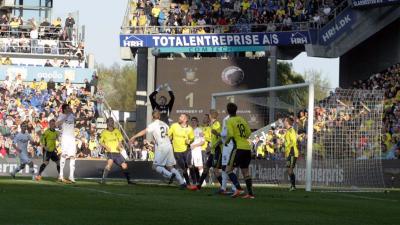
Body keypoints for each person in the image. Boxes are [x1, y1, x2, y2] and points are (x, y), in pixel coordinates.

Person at [129, 111, 186, 188]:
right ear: (159, 117)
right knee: (170, 167)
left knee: (155, 166)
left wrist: (134, 137)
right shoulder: (165, 124)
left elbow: (144, 131)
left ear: (152, 117)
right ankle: (182, 182)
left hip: (162, 146)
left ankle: (170, 175)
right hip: (169, 145)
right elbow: (169, 136)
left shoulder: (153, 124)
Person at [224, 103, 254, 199]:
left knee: (228, 170)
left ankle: (239, 188)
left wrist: (226, 142)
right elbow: (249, 133)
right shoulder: (241, 119)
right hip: (247, 148)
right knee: (245, 172)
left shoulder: (229, 121)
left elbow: (231, 135)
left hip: (238, 148)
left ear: (227, 111)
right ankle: (250, 194)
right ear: (236, 110)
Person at [99, 117, 133, 184]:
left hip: (117, 153)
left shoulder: (117, 131)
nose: (112, 123)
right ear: (107, 123)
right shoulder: (104, 132)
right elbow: (101, 142)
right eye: (110, 121)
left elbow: (120, 139)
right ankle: (103, 180)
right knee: (109, 164)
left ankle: (129, 181)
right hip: (110, 152)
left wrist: (119, 145)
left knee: (124, 165)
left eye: (112, 121)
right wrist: (106, 147)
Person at [196, 110, 223, 190]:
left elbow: (220, 138)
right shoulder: (212, 124)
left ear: (211, 116)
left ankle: (223, 187)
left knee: (215, 170)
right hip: (212, 151)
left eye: (209, 115)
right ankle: (198, 186)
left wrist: (214, 145)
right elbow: (213, 137)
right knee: (206, 168)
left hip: (217, 150)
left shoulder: (217, 124)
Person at [168, 113, 194, 187]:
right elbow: (168, 135)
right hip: (177, 151)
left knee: (190, 165)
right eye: (180, 116)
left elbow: (192, 138)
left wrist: (190, 141)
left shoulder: (190, 128)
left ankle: (195, 183)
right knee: (184, 168)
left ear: (186, 119)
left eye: (181, 117)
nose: (179, 117)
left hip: (187, 149)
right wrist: (169, 139)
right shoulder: (174, 126)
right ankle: (188, 184)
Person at [56, 104, 77, 183]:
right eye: (68, 108)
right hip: (65, 138)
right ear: (64, 109)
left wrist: (86, 118)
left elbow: (77, 119)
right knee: (64, 155)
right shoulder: (61, 116)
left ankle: (71, 176)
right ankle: (61, 175)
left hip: (72, 138)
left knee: (73, 156)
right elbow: (57, 124)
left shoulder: (71, 115)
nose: (69, 108)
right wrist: (66, 116)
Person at [189, 117, 204, 187]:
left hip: (197, 151)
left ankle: (202, 182)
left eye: (195, 121)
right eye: (192, 121)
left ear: (197, 122)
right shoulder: (189, 129)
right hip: (189, 151)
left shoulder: (200, 130)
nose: (193, 122)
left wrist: (195, 145)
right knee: (190, 165)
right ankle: (186, 181)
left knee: (199, 166)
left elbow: (202, 142)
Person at [284, 117, 298, 191]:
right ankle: (293, 186)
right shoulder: (288, 131)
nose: (284, 122)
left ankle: (293, 186)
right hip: (288, 153)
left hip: (292, 152)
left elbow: (294, 141)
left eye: (284, 121)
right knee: (289, 169)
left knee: (290, 169)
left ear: (287, 122)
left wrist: (288, 148)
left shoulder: (291, 130)